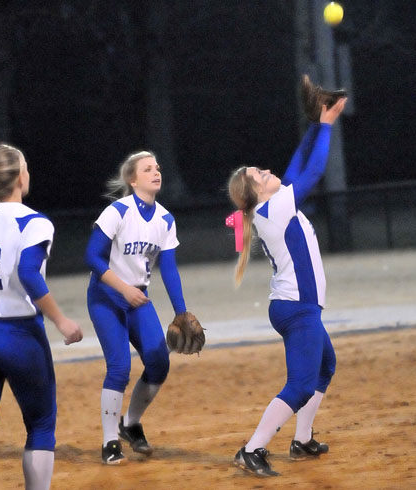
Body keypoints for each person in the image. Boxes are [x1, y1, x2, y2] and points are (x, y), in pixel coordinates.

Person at [227, 93, 347, 477]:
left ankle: (302, 439)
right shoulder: (275, 207)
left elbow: (296, 168)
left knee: (325, 365)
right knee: (299, 385)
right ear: (257, 193)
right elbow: (311, 173)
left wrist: (314, 124)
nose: (266, 171)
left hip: (293, 306)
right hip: (297, 308)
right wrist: (326, 126)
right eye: (259, 175)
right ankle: (253, 448)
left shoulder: (270, 204)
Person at [85, 150, 202, 465]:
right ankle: (110, 441)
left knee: (158, 362)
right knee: (120, 368)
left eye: (158, 167)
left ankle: (130, 424)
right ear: (132, 179)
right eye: (147, 168)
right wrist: (123, 288)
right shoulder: (117, 212)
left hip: (138, 299)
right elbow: (92, 257)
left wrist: (180, 312)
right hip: (107, 295)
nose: (156, 172)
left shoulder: (165, 218)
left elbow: (170, 269)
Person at [0, 144, 83, 490]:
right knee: (40, 425)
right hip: (18, 333)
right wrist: (61, 321)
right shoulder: (34, 222)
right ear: (20, 177)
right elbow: (28, 272)